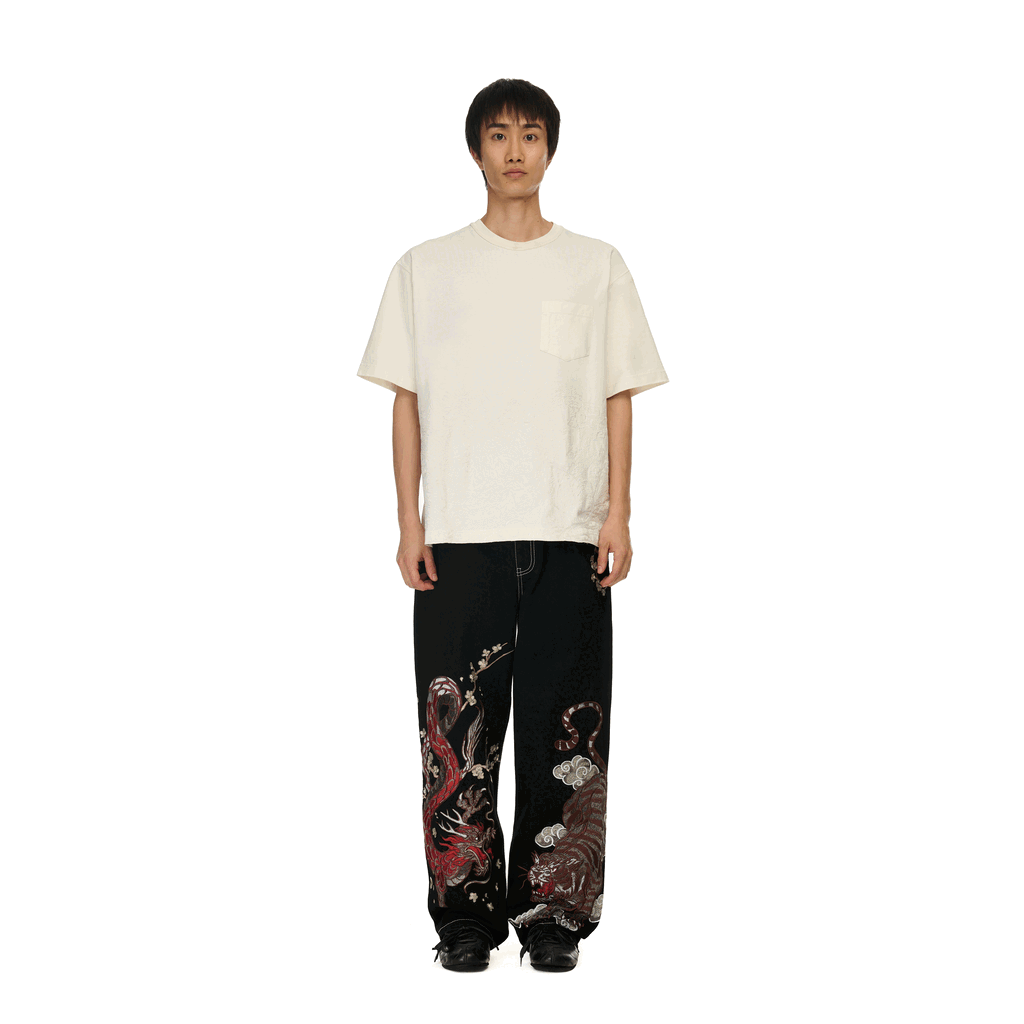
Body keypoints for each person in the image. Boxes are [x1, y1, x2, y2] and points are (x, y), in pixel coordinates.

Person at [356, 78, 669, 971]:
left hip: (570, 531)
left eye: (531, 134)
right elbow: (406, 399)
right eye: (499, 135)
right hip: (460, 534)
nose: (516, 150)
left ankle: (554, 912)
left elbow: (616, 393)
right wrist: (409, 521)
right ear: (476, 150)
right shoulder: (426, 268)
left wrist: (618, 512)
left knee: (568, 727)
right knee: (456, 738)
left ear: (550, 149)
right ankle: (464, 916)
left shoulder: (595, 265)